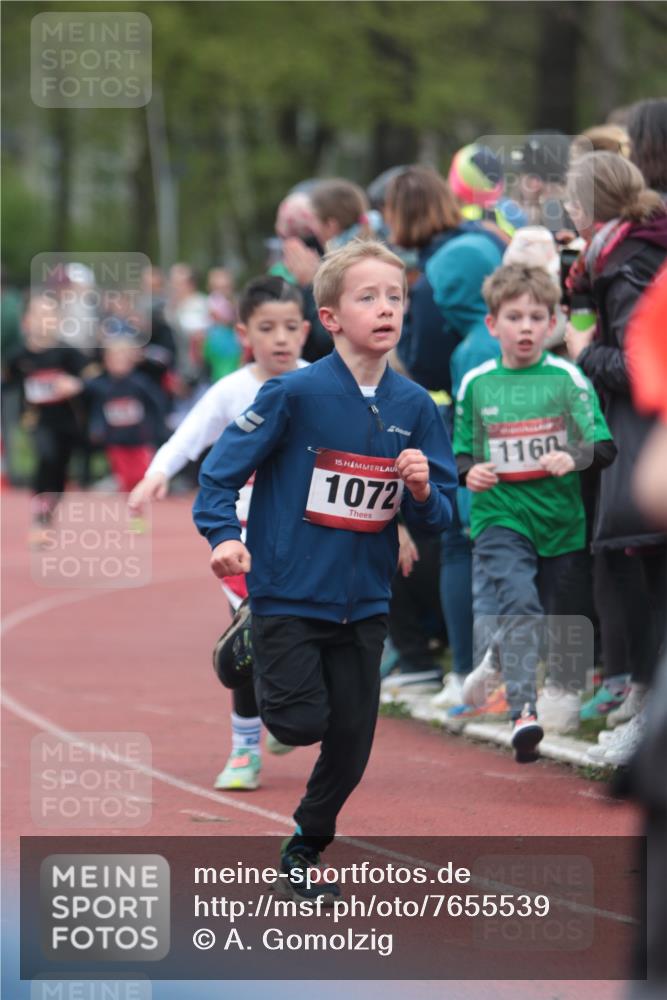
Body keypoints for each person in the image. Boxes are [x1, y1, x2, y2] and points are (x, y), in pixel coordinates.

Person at [193, 240, 456, 900]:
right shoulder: (293, 394)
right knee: (297, 725)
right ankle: (247, 642)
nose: (386, 307)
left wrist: (424, 493)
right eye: (367, 297)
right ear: (331, 317)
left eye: (395, 296)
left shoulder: (416, 407)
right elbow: (216, 478)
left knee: (351, 742)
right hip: (287, 592)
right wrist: (224, 538)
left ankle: (305, 847)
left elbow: (441, 519)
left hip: (363, 600)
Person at [129, 276, 309, 790]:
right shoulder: (231, 391)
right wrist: (156, 473)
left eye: (291, 327)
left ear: (307, 329)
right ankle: (244, 751)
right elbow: (187, 439)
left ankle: (287, 708)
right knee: (249, 644)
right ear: (243, 332)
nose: (280, 338)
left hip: (306, 538)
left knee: (302, 636)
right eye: (267, 328)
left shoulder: (321, 384)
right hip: (242, 544)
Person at [454, 264, 615, 762]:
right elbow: (462, 453)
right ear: (492, 325)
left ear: (553, 323)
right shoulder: (477, 383)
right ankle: (523, 711)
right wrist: (470, 473)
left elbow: (604, 447)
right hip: (500, 516)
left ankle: (497, 662)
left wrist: (573, 455)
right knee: (521, 604)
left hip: (560, 521)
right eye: (514, 316)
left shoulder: (568, 378)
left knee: (549, 616)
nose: (525, 327)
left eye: (536, 317)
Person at [563, 151, 667, 762]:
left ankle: (648, 722)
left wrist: (583, 348)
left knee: (655, 580)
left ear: (593, 205)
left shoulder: (628, 263)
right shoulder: (621, 253)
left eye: (574, 203)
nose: (569, 215)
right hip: (640, 435)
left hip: (648, 436)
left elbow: (639, 366)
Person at [8, 295, 91, 546]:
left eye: (50, 315)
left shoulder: (68, 354)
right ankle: (39, 517)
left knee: (59, 468)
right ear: (27, 321)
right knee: (46, 455)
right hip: (36, 421)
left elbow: (95, 379)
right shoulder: (18, 357)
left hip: (66, 421)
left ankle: (48, 510)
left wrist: (76, 384)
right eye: (39, 314)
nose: (45, 320)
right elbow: (8, 383)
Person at [86, 337, 167, 492]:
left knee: (142, 476)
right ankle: (132, 509)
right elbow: (93, 405)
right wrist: (96, 428)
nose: (119, 362)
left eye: (123, 358)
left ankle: (141, 507)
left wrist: (156, 429)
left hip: (139, 439)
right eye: (114, 358)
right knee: (125, 477)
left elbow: (157, 404)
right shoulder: (100, 385)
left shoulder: (141, 383)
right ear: (106, 361)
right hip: (115, 439)